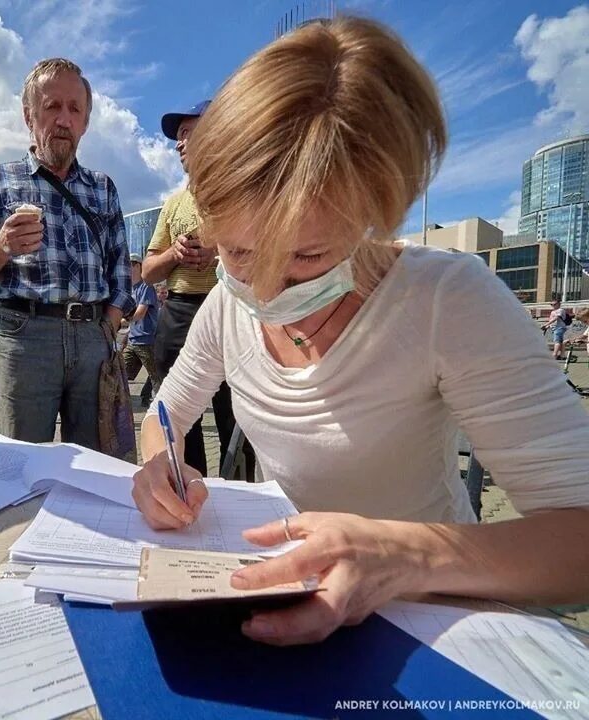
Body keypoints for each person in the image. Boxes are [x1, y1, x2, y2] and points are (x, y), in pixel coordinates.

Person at [131, 16, 589, 646]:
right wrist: (159, 467)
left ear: (376, 214)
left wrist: (406, 555)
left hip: (441, 623)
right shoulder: (223, 311)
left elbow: (578, 540)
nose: (266, 292)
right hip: (299, 605)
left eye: (307, 258)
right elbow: (164, 413)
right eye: (236, 253)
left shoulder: (446, 302)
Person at [0, 58, 133, 449]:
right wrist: (1, 246)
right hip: (25, 337)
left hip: (92, 337)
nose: (64, 119)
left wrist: (109, 325)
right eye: (52, 107)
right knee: (24, 464)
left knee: (96, 464)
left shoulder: (103, 188)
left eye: (75, 109)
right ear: (29, 115)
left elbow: (121, 269)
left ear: (85, 122)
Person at [142, 100, 242, 476]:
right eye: (177, 137)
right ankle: (190, 490)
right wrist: (175, 253)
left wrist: (218, 253)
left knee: (235, 418)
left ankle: (240, 495)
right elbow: (149, 271)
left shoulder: (239, 196)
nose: (178, 144)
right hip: (179, 313)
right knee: (180, 420)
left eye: (187, 133)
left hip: (231, 309)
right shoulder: (172, 205)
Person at [123, 254, 162, 406]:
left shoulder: (146, 287)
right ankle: (120, 405)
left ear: (139, 266)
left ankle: (162, 406)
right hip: (133, 340)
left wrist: (121, 319)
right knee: (120, 374)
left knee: (155, 376)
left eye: (131, 264)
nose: (128, 268)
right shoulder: (130, 289)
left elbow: (139, 313)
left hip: (147, 340)